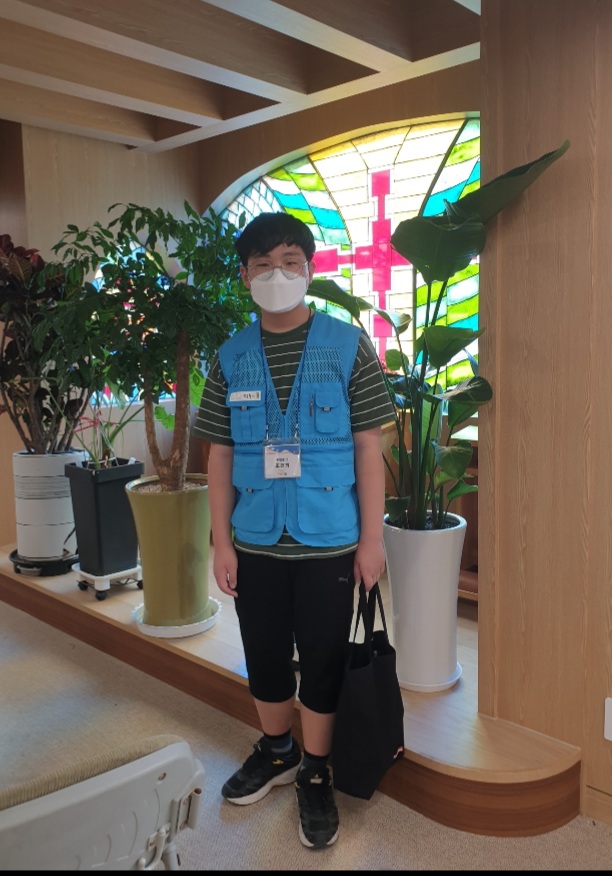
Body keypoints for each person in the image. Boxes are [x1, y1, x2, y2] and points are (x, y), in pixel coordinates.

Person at [193, 212, 395, 849]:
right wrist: (221, 542)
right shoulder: (230, 357)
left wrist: (373, 540)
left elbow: (368, 448)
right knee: (263, 652)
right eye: (262, 264)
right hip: (254, 538)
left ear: (309, 269)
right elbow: (218, 456)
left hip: (330, 537)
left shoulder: (347, 345)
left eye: (289, 261)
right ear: (245, 274)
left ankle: (315, 769)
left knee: (324, 656)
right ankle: (278, 749)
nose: (276, 274)